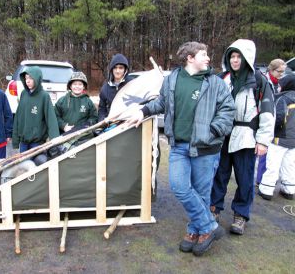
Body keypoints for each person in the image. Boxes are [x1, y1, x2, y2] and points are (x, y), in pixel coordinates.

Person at [128, 41, 235, 256]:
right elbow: (162, 103)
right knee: (179, 186)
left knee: (202, 192)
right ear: (190, 58)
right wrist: (143, 111)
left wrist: (212, 131)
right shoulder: (173, 79)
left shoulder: (215, 83)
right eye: (203, 54)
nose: (207, 58)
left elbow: (228, 110)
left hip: (206, 148)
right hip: (178, 146)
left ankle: (195, 231)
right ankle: (210, 227)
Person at [210, 39, 275, 235]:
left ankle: (240, 214)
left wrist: (263, 140)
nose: (235, 60)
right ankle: (214, 209)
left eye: (239, 56)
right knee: (219, 175)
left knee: (245, 178)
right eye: (232, 56)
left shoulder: (259, 81)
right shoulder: (223, 79)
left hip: (246, 136)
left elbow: (267, 112)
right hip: (223, 135)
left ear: (247, 58)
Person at [12, 66, 59, 165]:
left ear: (37, 79)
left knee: (35, 167)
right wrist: (16, 140)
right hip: (24, 142)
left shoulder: (44, 96)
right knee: (23, 166)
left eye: (31, 78)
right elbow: (18, 117)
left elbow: (51, 119)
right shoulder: (23, 94)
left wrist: (55, 140)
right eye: (26, 78)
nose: (28, 81)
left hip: (36, 142)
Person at [258, 74, 295, 200]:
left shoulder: (283, 99)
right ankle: (289, 190)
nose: (278, 87)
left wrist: (270, 132)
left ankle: (266, 190)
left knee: (273, 165)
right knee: (290, 166)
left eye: (280, 85)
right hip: (293, 141)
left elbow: (277, 118)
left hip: (279, 138)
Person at [255, 59, 287, 186]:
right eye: (279, 71)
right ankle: (259, 179)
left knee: (267, 150)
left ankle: (262, 178)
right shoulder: (263, 81)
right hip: (262, 117)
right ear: (271, 70)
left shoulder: (279, 84)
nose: (281, 74)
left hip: (274, 118)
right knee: (262, 149)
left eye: (283, 72)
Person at [98, 53, 135, 121]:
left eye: (120, 68)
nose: (117, 71)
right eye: (115, 67)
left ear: (125, 69)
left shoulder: (132, 83)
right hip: (111, 123)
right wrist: (101, 121)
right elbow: (102, 109)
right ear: (112, 69)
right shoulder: (105, 88)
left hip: (129, 121)